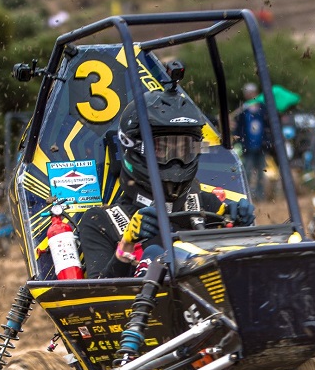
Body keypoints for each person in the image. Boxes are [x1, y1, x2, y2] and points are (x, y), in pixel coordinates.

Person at [79, 89, 255, 279]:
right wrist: (126, 246)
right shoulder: (101, 221)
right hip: (138, 307)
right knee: (153, 253)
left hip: (205, 306)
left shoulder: (208, 207)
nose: (176, 161)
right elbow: (98, 299)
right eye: (162, 149)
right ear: (135, 149)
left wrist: (240, 231)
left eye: (184, 149)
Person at [235, 82, 269, 201]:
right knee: (247, 171)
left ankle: (260, 196)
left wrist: (267, 141)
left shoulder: (262, 108)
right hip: (248, 145)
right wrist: (240, 140)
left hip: (261, 145)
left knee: (261, 171)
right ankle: (247, 196)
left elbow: (267, 125)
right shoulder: (243, 109)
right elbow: (239, 128)